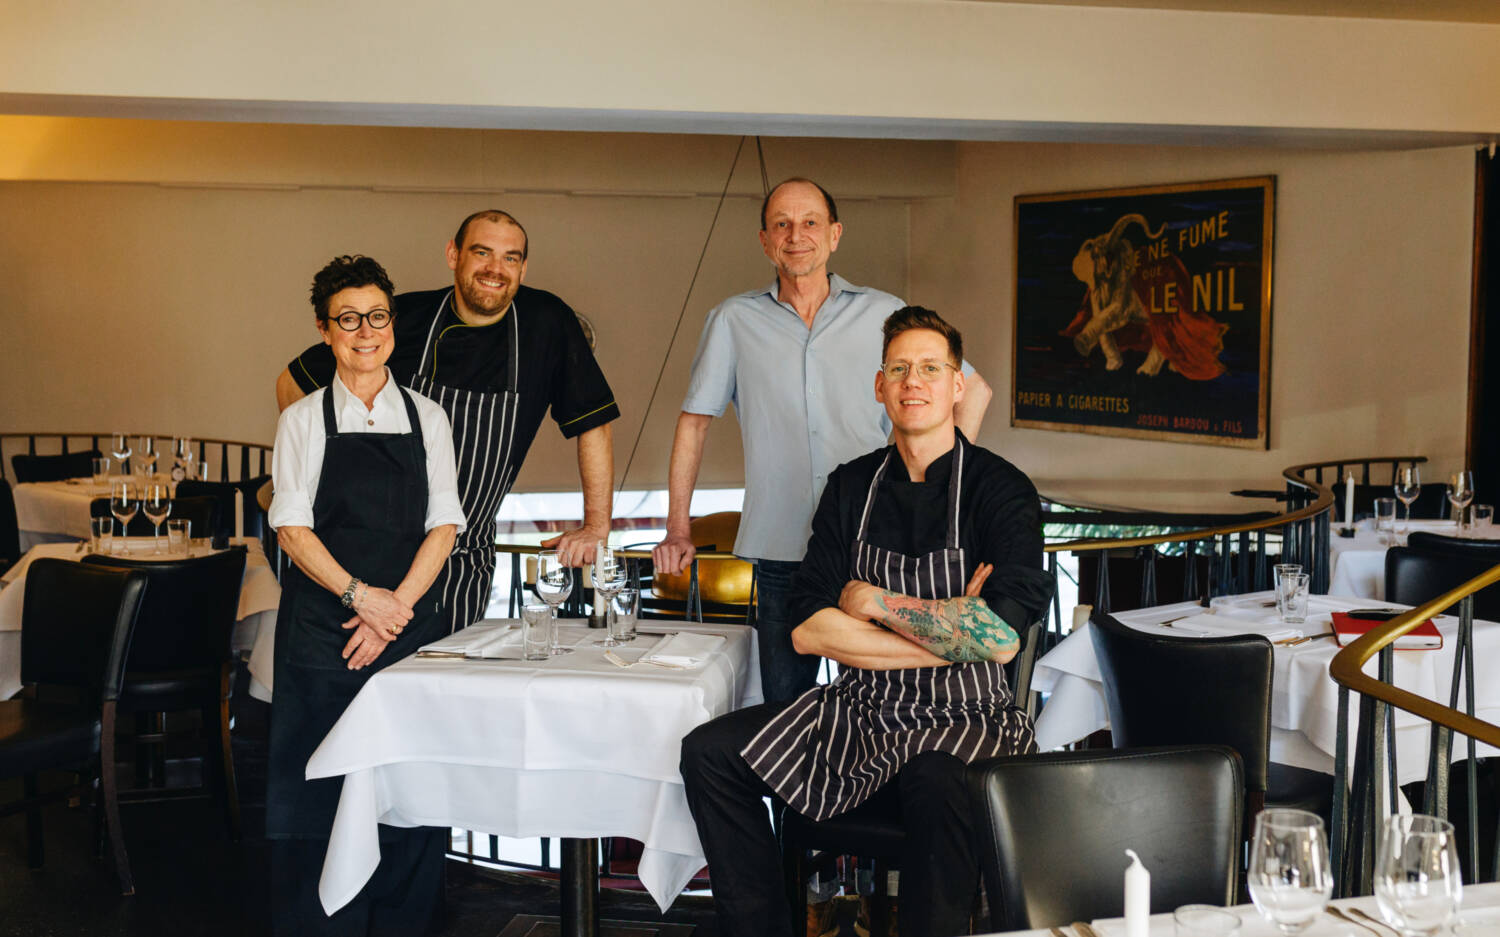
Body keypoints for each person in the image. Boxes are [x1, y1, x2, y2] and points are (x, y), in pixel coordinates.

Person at [680, 307, 1054, 937]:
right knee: (709, 755)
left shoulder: (1001, 489)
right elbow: (807, 629)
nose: (915, 381)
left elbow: (999, 639)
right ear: (879, 386)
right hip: (860, 709)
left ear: (957, 386)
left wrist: (876, 605)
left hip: (970, 716)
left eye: (931, 368)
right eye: (900, 369)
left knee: (941, 780)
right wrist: (950, 631)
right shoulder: (851, 487)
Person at [653, 178, 993, 704]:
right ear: (765, 241)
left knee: (894, 698)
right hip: (782, 545)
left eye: (810, 222)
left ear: (834, 235)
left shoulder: (886, 313)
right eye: (782, 224)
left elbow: (973, 390)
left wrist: (934, 488)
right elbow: (694, 422)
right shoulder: (733, 320)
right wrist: (677, 527)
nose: (797, 235)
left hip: (882, 546)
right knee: (786, 710)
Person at [276, 210, 619, 631]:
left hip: (464, 564)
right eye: (482, 252)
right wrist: (322, 486)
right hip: (375, 566)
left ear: (524, 267)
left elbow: (594, 421)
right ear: (453, 255)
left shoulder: (547, 325)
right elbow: (291, 386)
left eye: (511, 258)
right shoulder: (399, 320)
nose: (496, 269)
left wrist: (597, 526)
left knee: (439, 688)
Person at [266, 255, 466, 935]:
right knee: (318, 787)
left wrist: (392, 611)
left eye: (376, 316)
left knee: (407, 788)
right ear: (325, 331)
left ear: (391, 325)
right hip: (324, 629)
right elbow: (292, 530)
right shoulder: (303, 420)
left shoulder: (429, 417)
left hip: (407, 626)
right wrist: (360, 598)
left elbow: (444, 527)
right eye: (348, 319)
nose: (365, 331)